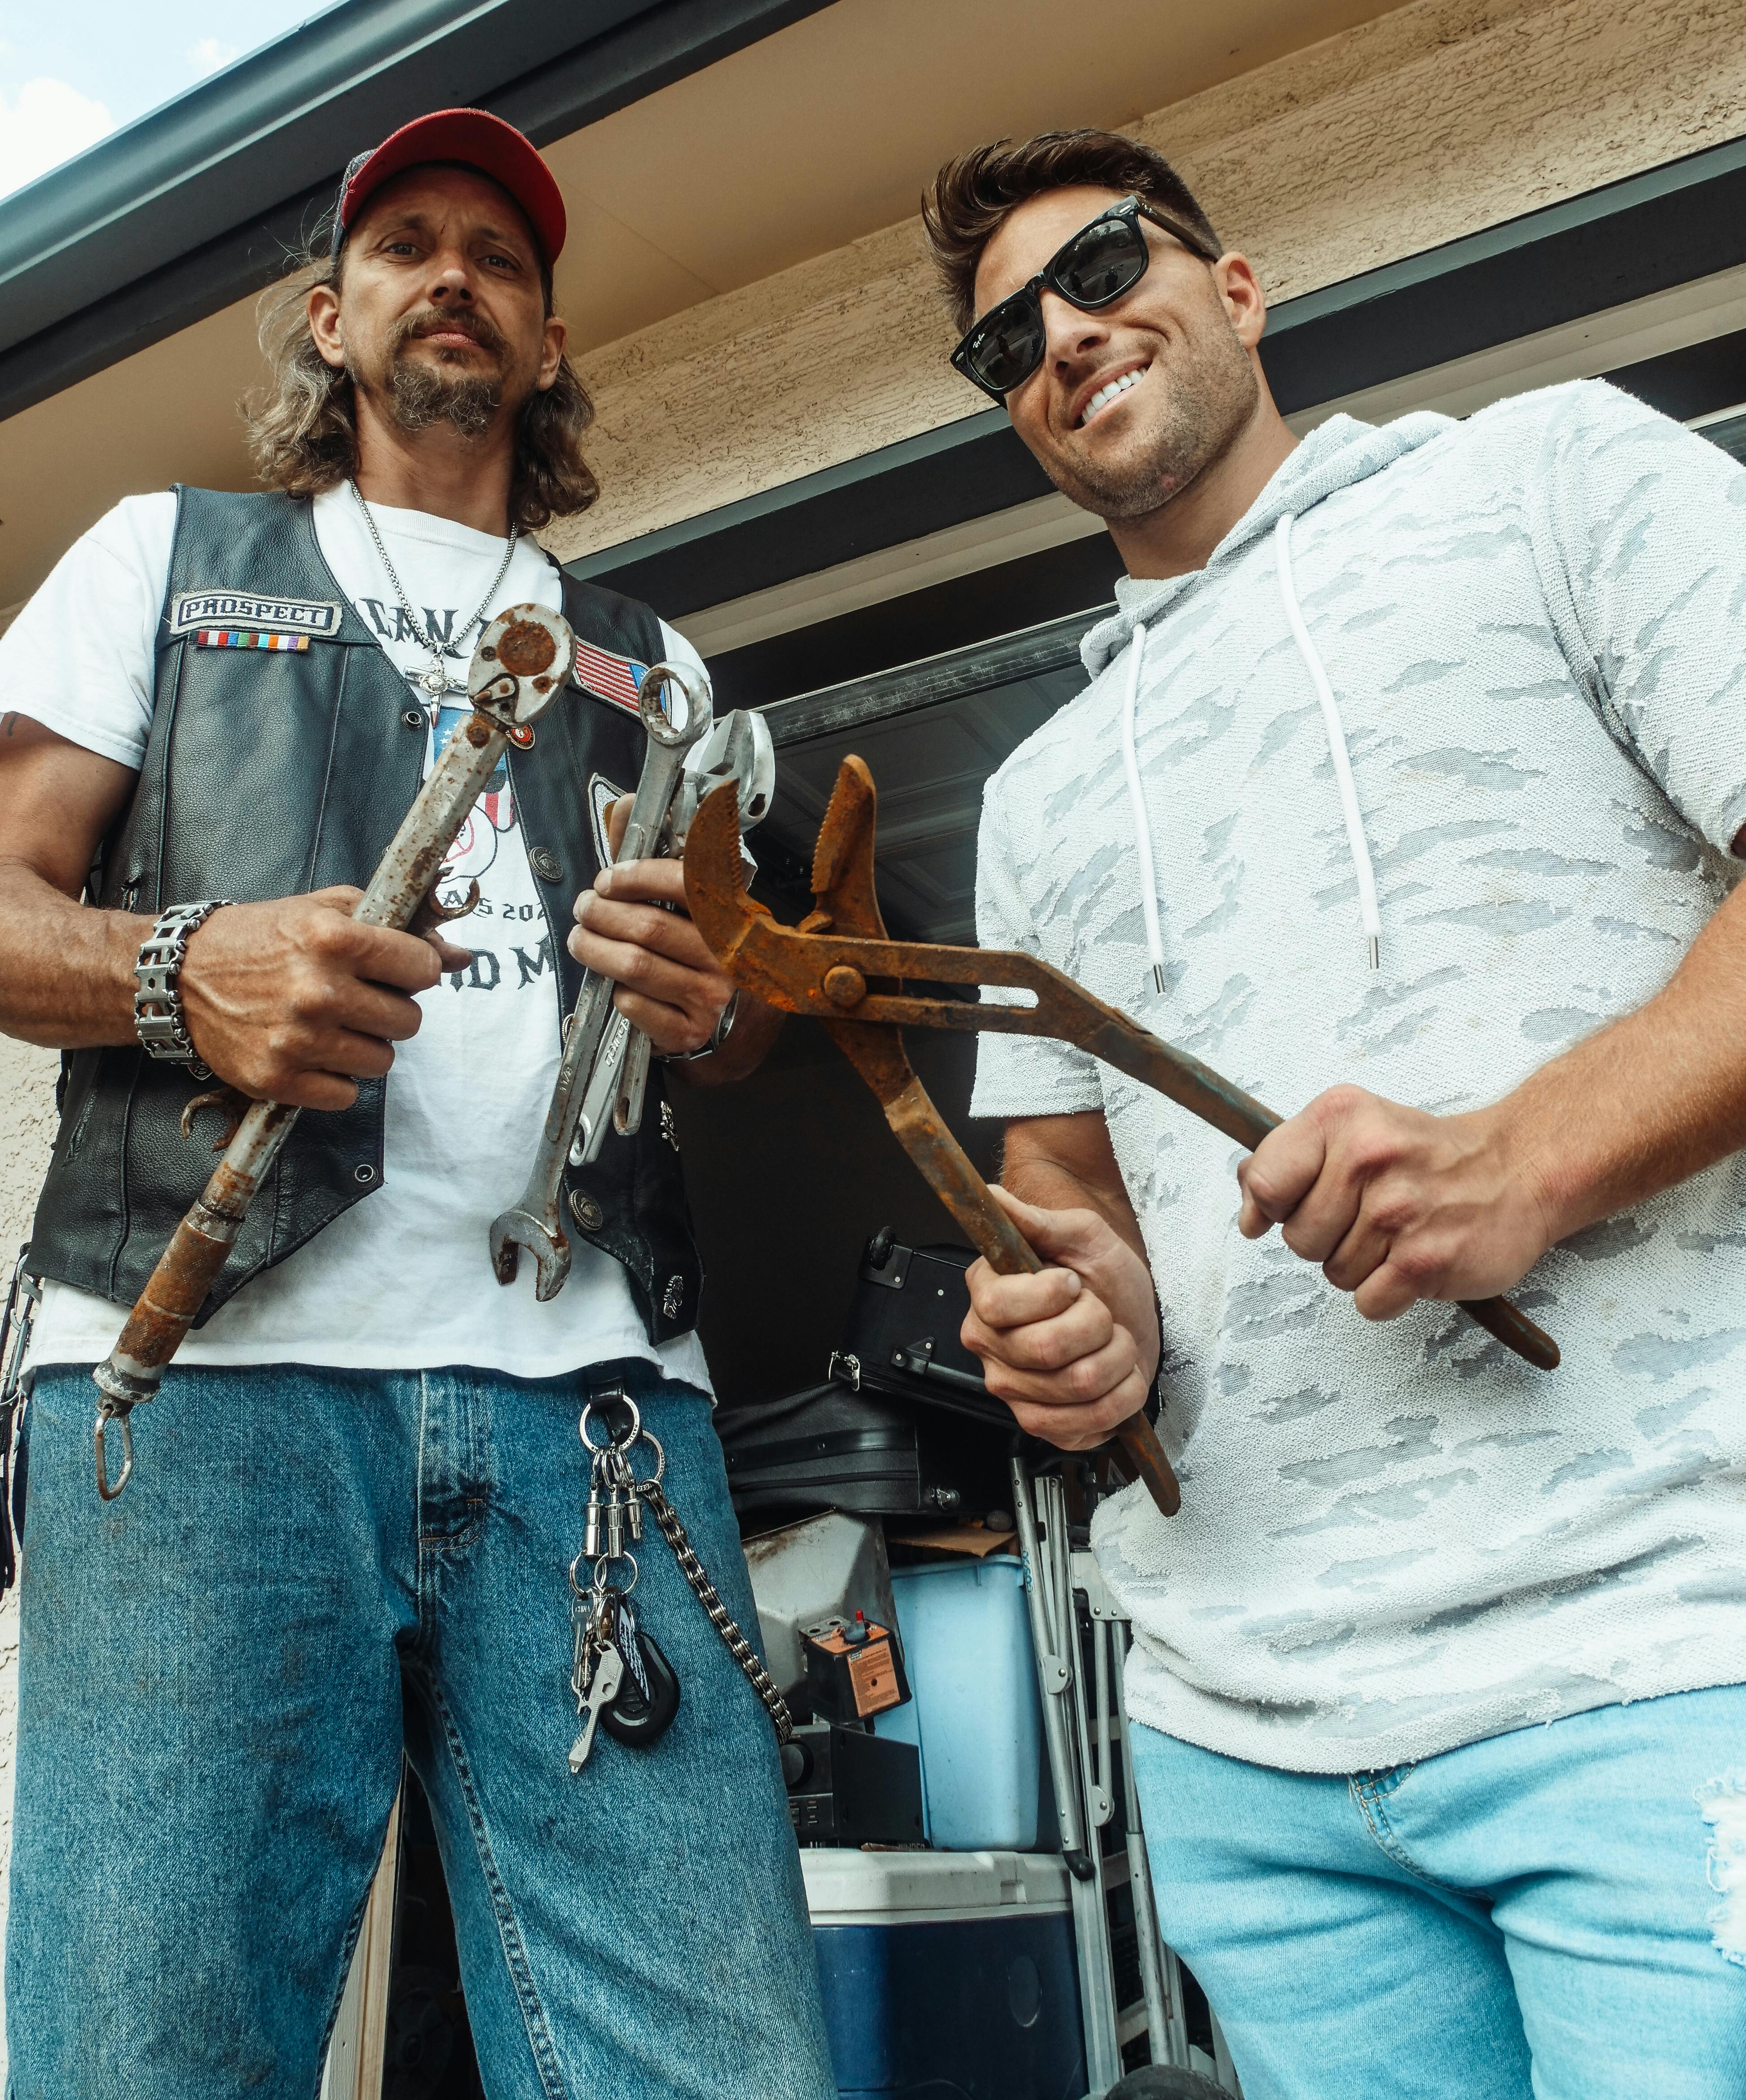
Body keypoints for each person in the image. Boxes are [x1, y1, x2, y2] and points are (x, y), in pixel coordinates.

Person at [0, 108, 833, 2100]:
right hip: (202, 1396)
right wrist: (171, 970)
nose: (455, 271)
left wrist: (719, 1012)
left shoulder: (662, 669)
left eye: (503, 257)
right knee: (150, 2055)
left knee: (722, 2068)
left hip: (605, 1419)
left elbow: (738, 1044)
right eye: (406, 245)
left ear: (545, 346)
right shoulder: (170, 559)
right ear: (330, 313)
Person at [927, 127, 1746, 2098]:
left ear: (1236, 284)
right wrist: (1078, 1320)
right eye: (1004, 340)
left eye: (1104, 261)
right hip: (1248, 1752)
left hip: (1661, 1656)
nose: (1063, 331)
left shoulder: (1548, 474)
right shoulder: (1038, 794)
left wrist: (1531, 1152)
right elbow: (1068, 1191)